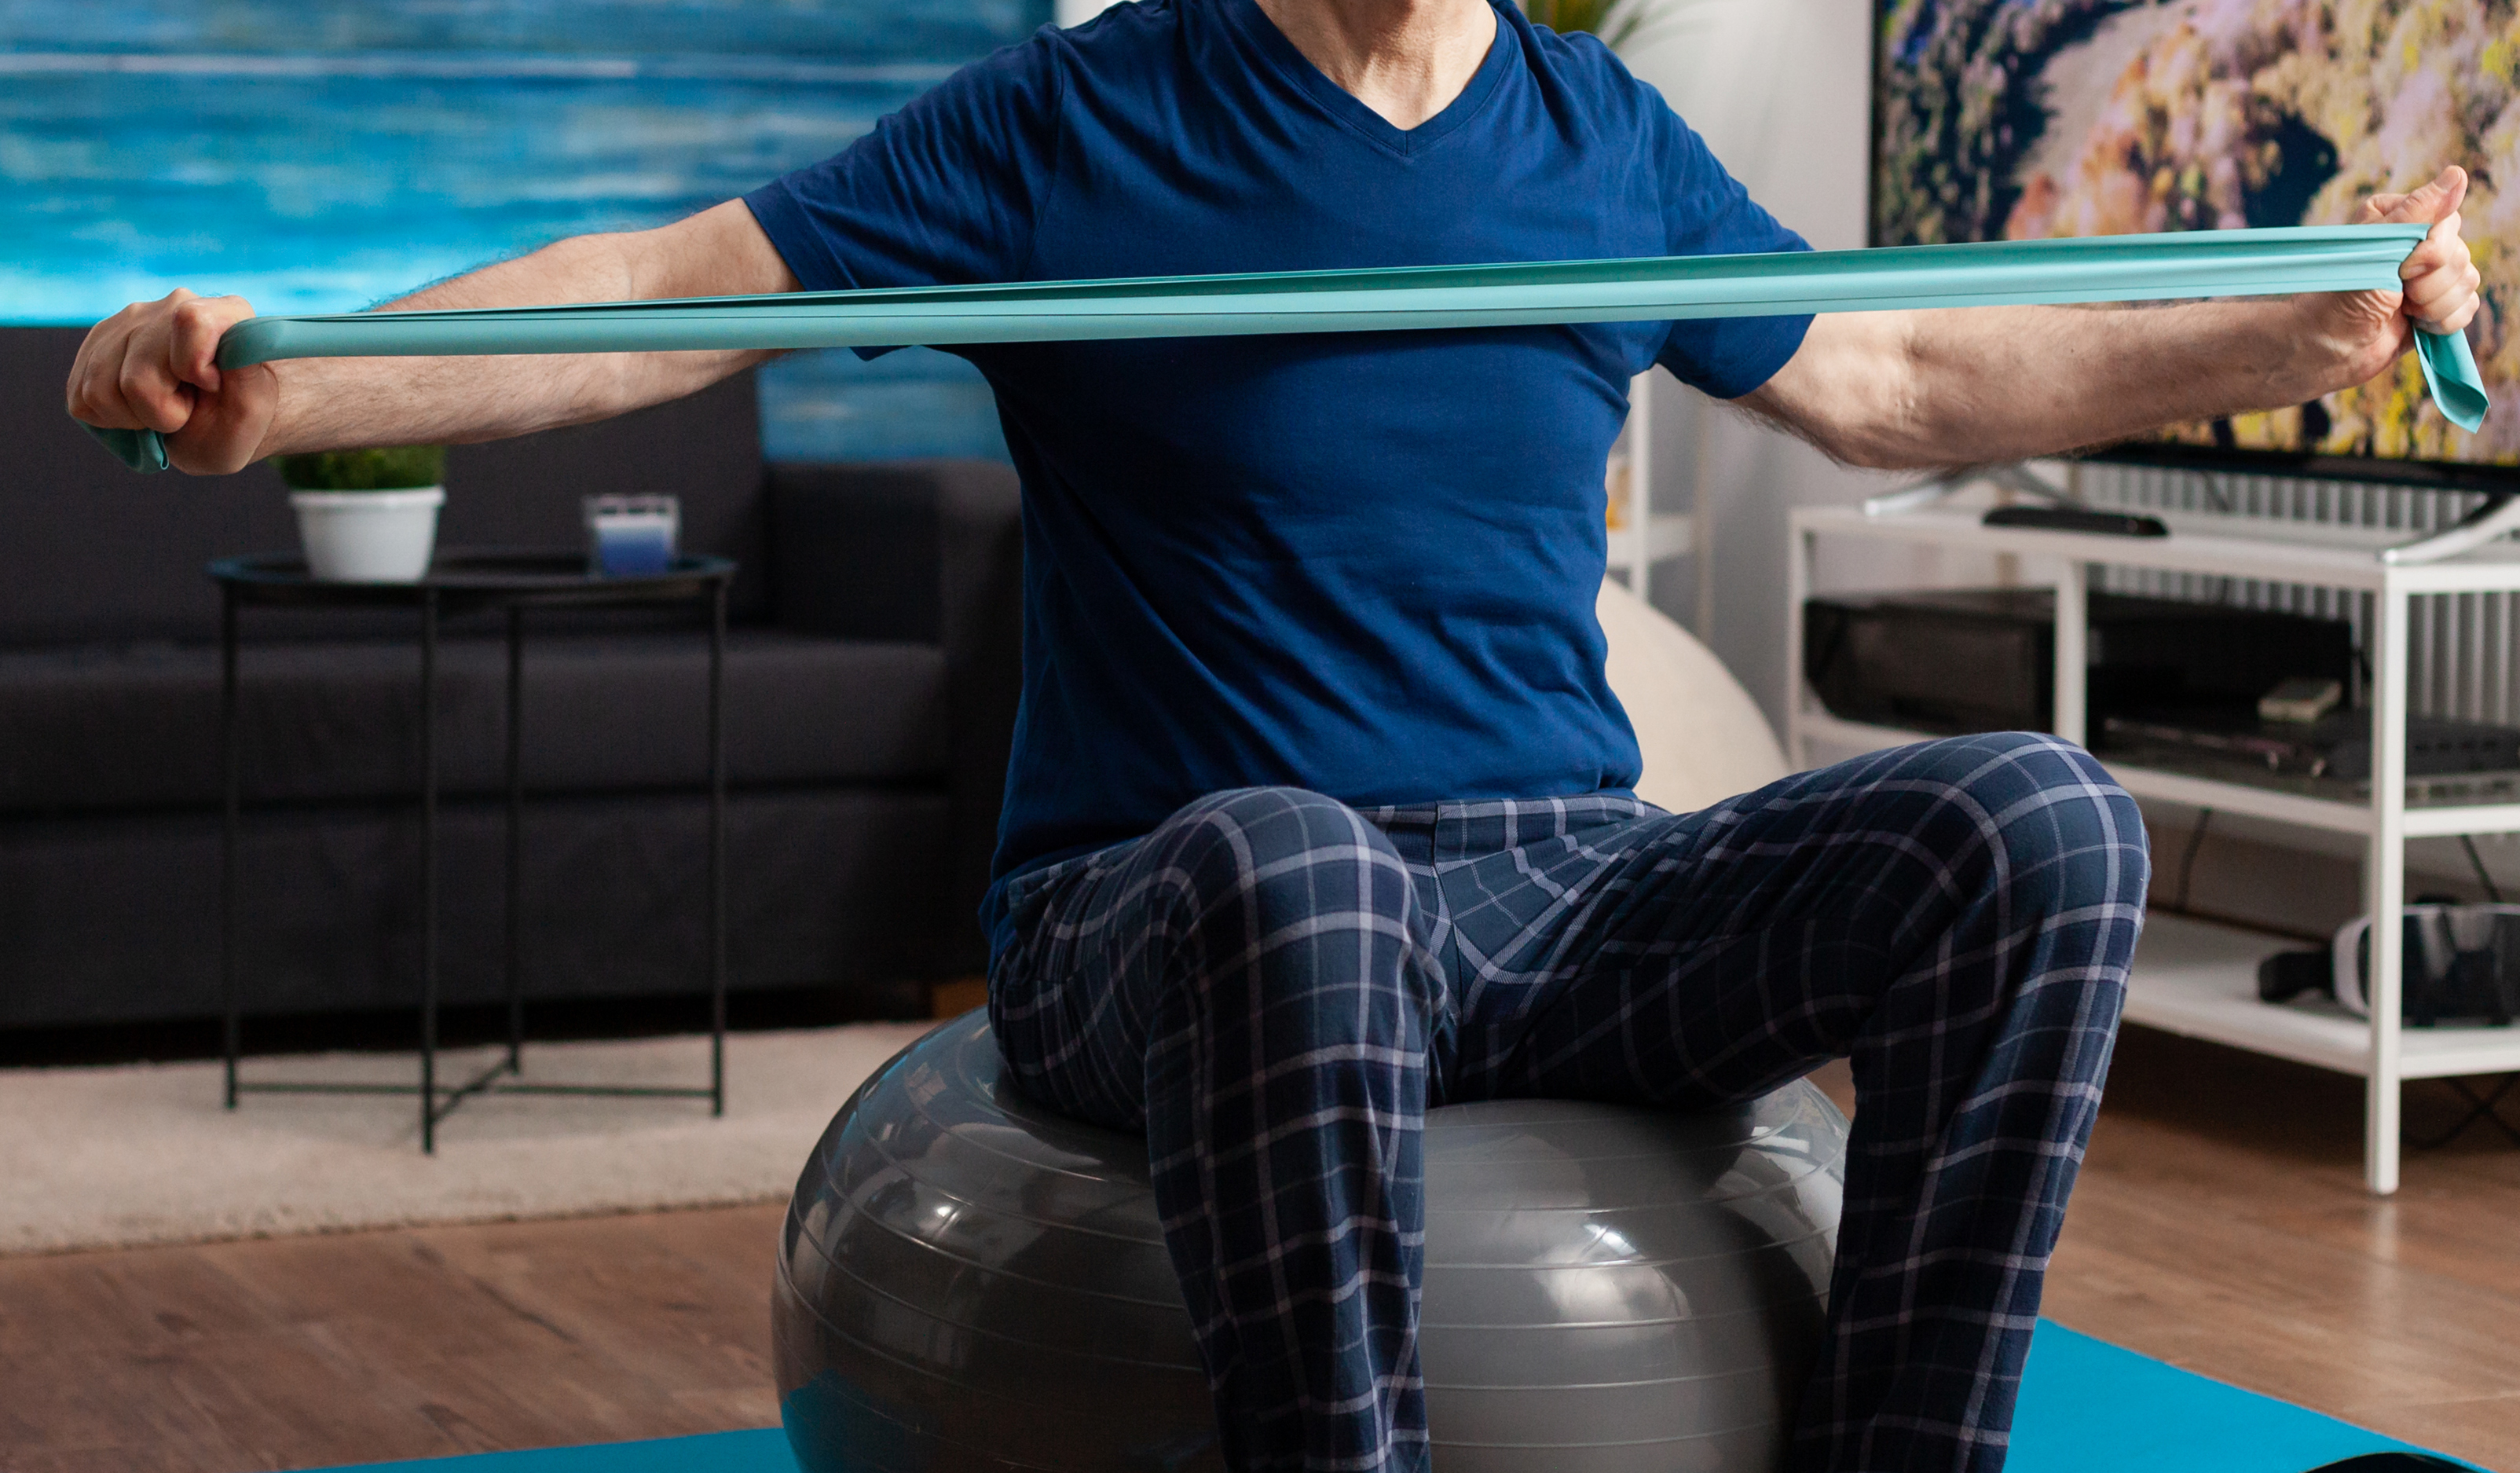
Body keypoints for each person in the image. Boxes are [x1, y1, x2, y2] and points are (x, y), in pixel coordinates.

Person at [67, 0, 2480, 1468]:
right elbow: (661, 299)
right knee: (1298, 866)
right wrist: (274, 386)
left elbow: (1908, 375)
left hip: (1558, 872)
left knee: (2038, 821)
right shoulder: (1074, 129)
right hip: (1172, 890)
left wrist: (2289, 330)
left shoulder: (1598, 146)